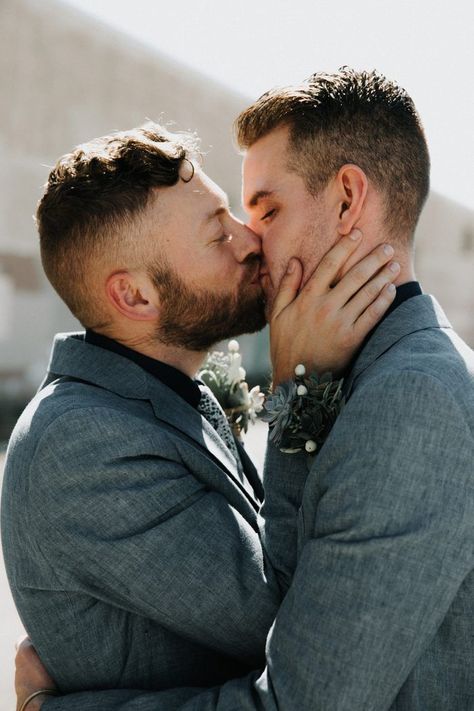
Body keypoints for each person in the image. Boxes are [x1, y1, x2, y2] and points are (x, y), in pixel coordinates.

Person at [18, 66, 474, 711]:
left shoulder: (411, 399)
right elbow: (284, 602)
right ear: (136, 295)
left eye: (265, 209)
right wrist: (300, 389)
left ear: (347, 200)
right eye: (225, 226)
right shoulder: (82, 442)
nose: (249, 239)